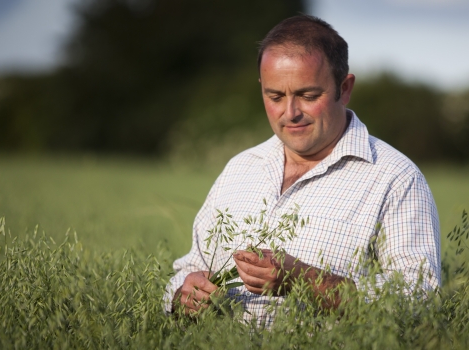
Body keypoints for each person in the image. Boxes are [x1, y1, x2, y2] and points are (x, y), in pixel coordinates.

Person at [164, 15, 441, 326]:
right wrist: (183, 295)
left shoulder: (395, 178)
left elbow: (418, 301)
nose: (291, 113)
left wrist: (307, 281)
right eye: (275, 96)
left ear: (344, 88)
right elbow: (188, 269)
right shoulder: (240, 168)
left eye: (308, 96)